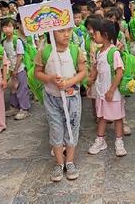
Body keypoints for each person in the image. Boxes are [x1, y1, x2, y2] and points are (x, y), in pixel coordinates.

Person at [34, 27, 87, 182]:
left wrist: (69, 82)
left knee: (72, 127)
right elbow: (37, 72)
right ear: (51, 33)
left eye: (68, 30)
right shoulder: (45, 51)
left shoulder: (75, 50)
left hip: (72, 98)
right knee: (56, 128)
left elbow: (83, 71)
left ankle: (70, 162)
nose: (66, 34)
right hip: (52, 97)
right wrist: (50, 79)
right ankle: (59, 163)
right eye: (60, 31)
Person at [87, 19, 127, 158]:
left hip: (112, 93)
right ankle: (100, 140)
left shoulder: (114, 52)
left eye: (95, 33)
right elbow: (96, 70)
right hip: (101, 92)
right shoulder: (99, 52)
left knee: (117, 118)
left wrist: (111, 90)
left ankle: (119, 141)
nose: (93, 35)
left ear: (105, 35)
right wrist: (90, 83)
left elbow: (119, 72)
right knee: (102, 117)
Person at [1, 18, 31, 120]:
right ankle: (14, 107)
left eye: (9, 26)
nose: (7, 29)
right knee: (13, 88)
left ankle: (24, 109)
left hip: (20, 69)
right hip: (11, 70)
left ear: (14, 28)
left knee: (22, 88)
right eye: (5, 27)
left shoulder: (17, 40)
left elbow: (20, 56)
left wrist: (15, 69)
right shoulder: (4, 42)